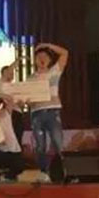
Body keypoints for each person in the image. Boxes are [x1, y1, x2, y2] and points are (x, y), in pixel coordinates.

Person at [27, 42, 69, 182]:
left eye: (45, 56)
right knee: (40, 145)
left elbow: (65, 53)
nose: (42, 59)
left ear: (50, 59)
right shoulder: (30, 78)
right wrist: (26, 101)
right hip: (36, 113)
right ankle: (44, 171)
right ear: (35, 60)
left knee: (58, 142)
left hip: (53, 111)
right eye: (39, 57)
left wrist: (47, 45)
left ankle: (63, 171)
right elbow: (28, 99)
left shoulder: (54, 72)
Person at [0, 93, 25, 182]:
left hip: (12, 150)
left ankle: (8, 175)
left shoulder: (6, 116)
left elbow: (10, 99)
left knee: (20, 165)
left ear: (2, 110)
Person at [0, 62, 26, 156]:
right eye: (9, 72)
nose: (11, 74)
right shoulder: (1, 83)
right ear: (3, 74)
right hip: (8, 114)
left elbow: (21, 103)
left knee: (18, 135)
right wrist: (18, 61)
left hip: (18, 113)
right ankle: (10, 158)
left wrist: (22, 103)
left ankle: (17, 158)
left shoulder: (15, 87)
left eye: (12, 73)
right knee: (10, 137)